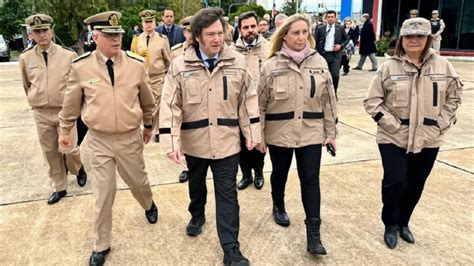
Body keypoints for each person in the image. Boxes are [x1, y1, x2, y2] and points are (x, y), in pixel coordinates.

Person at [159, 7, 260, 265]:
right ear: (197, 36)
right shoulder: (180, 65)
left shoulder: (236, 61)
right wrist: (171, 142)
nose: (218, 39)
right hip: (195, 142)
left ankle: (231, 249)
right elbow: (170, 106)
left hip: (227, 141)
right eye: (211, 34)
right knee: (197, 184)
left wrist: (252, 133)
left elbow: (247, 99)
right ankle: (197, 213)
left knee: (227, 194)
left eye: (221, 33)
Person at [58, 11, 158, 265]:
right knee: (104, 193)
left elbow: (148, 101)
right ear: (95, 37)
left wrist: (148, 126)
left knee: (138, 182)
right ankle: (101, 244)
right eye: (109, 35)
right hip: (99, 140)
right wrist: (64, 131)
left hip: (129, 138)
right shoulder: (81, 67)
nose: (116, 39)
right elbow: (70, 106)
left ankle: (148, 204)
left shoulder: (135, 65)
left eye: (119, 34)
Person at [363, 17, 462, 250]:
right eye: (409, 36)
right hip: (393, 136)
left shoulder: (443, 66)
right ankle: (389, 223)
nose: (414, 40)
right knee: (395, 181)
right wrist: (393, 125)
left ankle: (403, 222)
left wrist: (441, 124)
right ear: (402, 39)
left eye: (420, 36)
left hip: (429, 136)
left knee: (416, 183)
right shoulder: (389, 67)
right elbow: (372, 101)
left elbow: (454, 98)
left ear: (429, 39)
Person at [257, 14, 338, 256]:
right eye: (295, 33)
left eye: (305, 32)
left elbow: (329, 101)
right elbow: (259, 104)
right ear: (284, 36)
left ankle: (314, 234)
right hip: (279, 133)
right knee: (279, 172)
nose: (301, 37)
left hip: (311, 133)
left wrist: (331, 133)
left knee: (311, 178)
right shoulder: (271, 66)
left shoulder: (319, 62)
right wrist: (259, 136)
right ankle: (278, 203)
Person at [19, 14, 87, 205]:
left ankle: (78, 168)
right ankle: (60, 187)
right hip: (41, 112)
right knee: (50, 151)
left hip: (65, 111)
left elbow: (77, 85)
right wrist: (36, 100)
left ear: (51, 31)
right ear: (31, 34)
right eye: (37, 31)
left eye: (45, 30)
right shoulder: (25, 58)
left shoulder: (68, 55)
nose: (41, 35)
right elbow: (27, 85)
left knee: (70, 149)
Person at [231, 11, 269, 190]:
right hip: (240, 107)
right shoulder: (231, 52)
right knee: (243, 144)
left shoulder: (268, 49)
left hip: (261, 105)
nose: (250, 30)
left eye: (253, 26)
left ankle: (259, 172)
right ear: (240, 30)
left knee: (259, 143)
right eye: (245, 27)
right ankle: (246, 174)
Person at [131, 10, 171, 143]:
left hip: (157, 77)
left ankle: (157, 130)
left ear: (155, 23)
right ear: (142, 24)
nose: (148, 25)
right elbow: (132, 60)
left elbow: (168, 60)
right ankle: (146, 126)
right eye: (146, 22)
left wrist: (167, 77)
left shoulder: (162, 40)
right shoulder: (136, 40)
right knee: (143, 103)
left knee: (156, 104)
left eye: (151, 22)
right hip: (142, 78)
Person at [170, 15, 194, 183]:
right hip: (182, 96)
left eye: (194, 30)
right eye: (188, 30)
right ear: (184, 32)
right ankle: (187, 167)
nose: (191, 34)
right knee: (183, 134)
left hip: (197, 98)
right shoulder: (176, 51)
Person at [314, 10, 349, 95]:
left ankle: (333, 93)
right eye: (328, 17)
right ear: (325, 18)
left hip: (335, 56)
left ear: (335, 18)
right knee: (321, 76)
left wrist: (340, 46)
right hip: (323, 55)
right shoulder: (320, 28)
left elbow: (347, 39)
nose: (330, 19)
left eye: (332, 17)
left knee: (335, 76)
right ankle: (322, 93)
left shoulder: (340, 28)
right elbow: (314, 41)